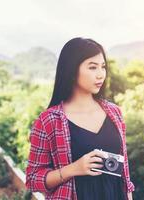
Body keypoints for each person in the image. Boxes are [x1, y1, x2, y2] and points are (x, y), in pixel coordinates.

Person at [25, 37, 135, 200]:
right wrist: (74, 168)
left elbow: (124, 172)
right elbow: (33, 180)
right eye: (92, 67)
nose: (100, 75)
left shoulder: (114, 112)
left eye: (103, 67)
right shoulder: (49, 120)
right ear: (72, 69)